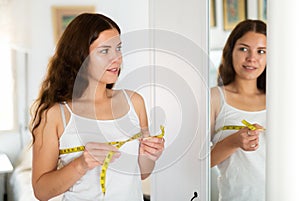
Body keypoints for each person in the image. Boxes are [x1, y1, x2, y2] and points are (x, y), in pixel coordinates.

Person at [29, 13, 165, 201]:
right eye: (104, 51)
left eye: (118, 49)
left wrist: (149, 156)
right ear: (80, 56)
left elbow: (141, 173)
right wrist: (81, 164)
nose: (116, 58)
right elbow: (41, 191)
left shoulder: (134, 102)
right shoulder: (55, 115)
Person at [210, 19, 267, 201]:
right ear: (230, 51)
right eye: (243, 49)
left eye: (261, 51)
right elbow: (199, 162)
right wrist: (233, 141)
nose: (252, 58)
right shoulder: (214, 98)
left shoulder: (282, 101)